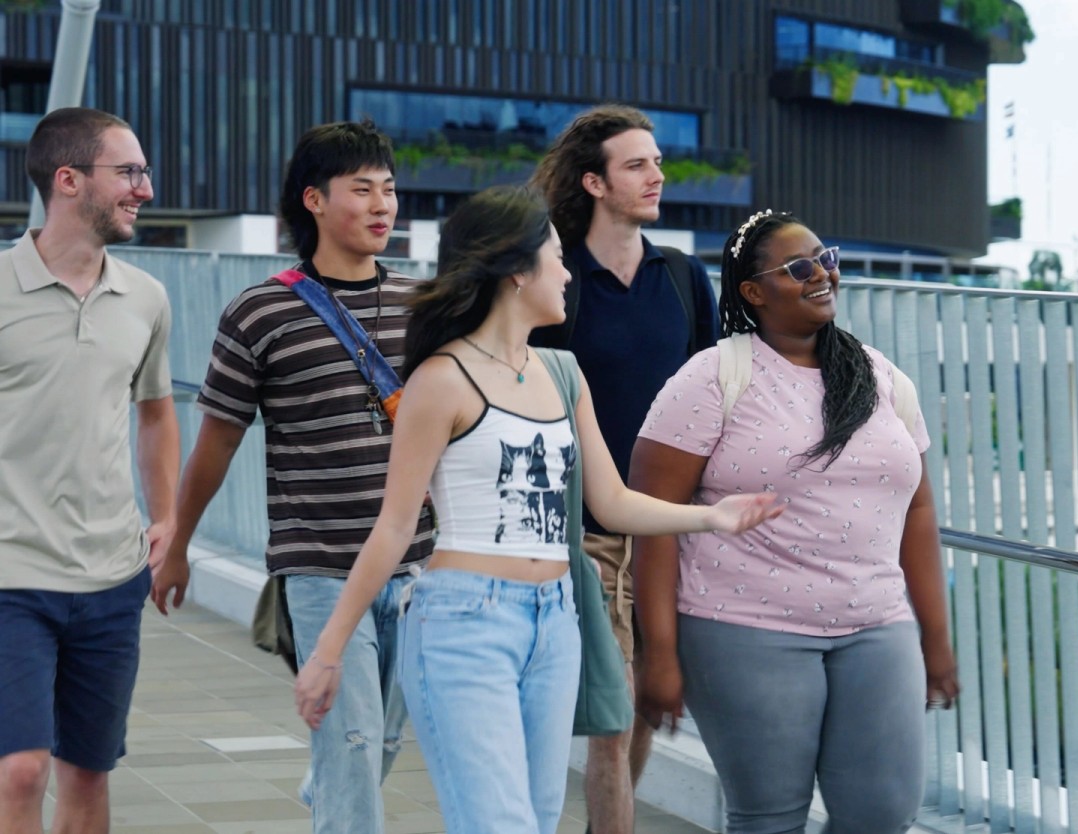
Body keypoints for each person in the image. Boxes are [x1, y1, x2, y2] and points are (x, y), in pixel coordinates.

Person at [290, 185, 780, 834]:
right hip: (463, 624)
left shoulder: (561, 373)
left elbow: (611, 501)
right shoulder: (441, 379)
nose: (568, 272)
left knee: (537, 821)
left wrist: (712, 518)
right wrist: (327, 653)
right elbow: (396, 525)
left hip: (554, 623)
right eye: (555, 256)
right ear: (516, 271)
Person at [631, 210, 961, 834]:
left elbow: (918, 507)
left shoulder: (881, 375)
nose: (823, 275)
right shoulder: (712, 377)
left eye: (826, 258)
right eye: (800, 267)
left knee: (882, 814)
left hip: (877, 627)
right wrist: (661, 655)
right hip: (743, 631)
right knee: (770, 820)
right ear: (753, 292)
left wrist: (935, 637)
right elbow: (656, 523)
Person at [154, 120, 433, 833]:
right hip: (319, 568)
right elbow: (215, 443)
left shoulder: (423, 307)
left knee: (384, 743)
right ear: (313, 199)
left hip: (421, 566)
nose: (383, 206)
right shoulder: (259, 312)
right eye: (362, 189)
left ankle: (333, 788)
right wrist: (178, 542)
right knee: (354, 743)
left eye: (390, 190)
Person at [529, 104, 718, 833]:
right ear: (594, 182)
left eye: (657, 162)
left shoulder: (682, 277)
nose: (656, 175)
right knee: (610, 712)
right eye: (636, 164)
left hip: (665, 531)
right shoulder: (554, 279)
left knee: (643, 706)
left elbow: (710, 400)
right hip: (583, 532)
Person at [0, 107, 178, 834]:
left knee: (88, 772)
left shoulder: (147, 298)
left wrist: (167, 520)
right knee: (20, 769)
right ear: (67, 180)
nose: (146, 189)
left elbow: (158, 412)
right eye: (129, 173)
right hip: (12, 573)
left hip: (110, 576)